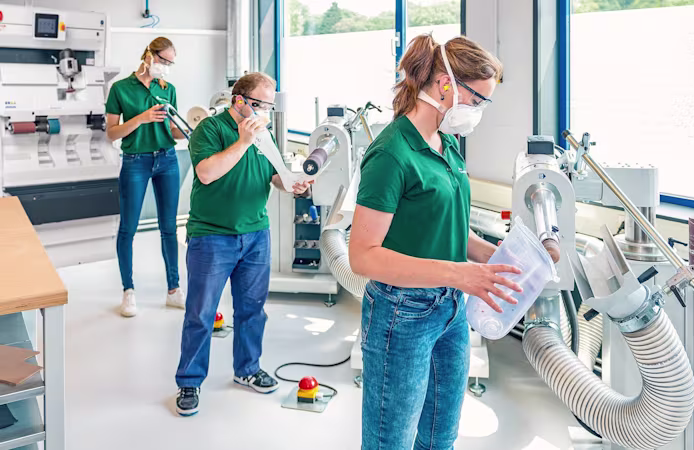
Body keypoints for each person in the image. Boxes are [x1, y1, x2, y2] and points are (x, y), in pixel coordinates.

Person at [350, 35, 519, 450]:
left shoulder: (447, 145)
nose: (478, 112)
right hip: (401, 314)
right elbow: (362, 256)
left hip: (450, 310)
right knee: (391, 441)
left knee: (440, 437)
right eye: (478, 100)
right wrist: (460, 273)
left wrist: (499, 260)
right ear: (446, 85)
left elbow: (449, 229)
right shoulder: (391, 154)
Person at [174, 72, 311, 417]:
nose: (264, 112)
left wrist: (291, 183)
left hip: (255, 235)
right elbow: (207, 173)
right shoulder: (210, 130)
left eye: (269, 106)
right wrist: (244, 141)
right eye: (260, 105)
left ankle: (248, 369)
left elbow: (273, 173)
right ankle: (189, 381)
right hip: (212, 237)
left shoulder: (263, 135)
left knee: (252, 310)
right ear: (239, 101)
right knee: (200, 314)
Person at [106, 37, 186, 317]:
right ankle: (128, 291)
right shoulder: (120, 89)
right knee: (128, 228)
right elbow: (112, 133)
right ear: (149, 56)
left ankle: (174, 290)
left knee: (169, 228)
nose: (166, 67)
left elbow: (173, 131)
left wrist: (192, 127)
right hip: (135, 162)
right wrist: (141, 117)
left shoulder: (168, 89)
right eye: (164, 61)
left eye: (170, 63)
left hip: (167, 160)